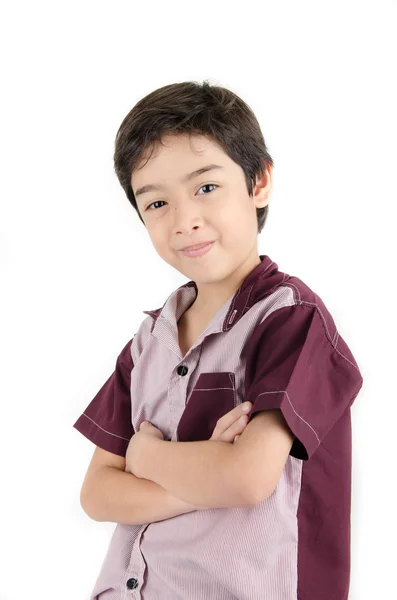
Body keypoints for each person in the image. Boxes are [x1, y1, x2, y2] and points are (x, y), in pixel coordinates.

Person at [73, 80, 364, 600]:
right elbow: (97, 494)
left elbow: (245, 480)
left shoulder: (290, 320)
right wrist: (199, 475)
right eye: (157, 202)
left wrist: (144, 456)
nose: (185, 220)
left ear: (258, 183)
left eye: (206, 188)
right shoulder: (148, 341)